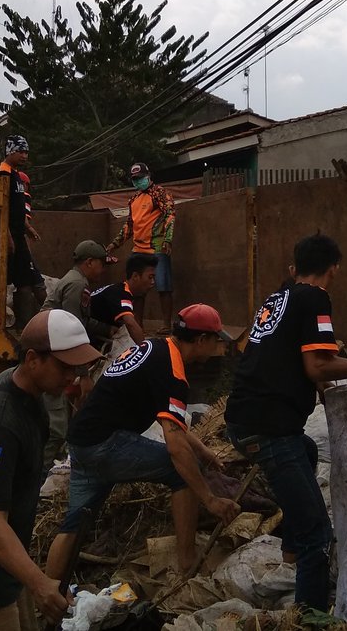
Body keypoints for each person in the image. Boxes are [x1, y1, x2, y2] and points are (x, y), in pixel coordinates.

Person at [225, 233, 347, 611]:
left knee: (307, 450)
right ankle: (310, 618)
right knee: (319, 535)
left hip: (244, 421)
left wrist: (330, 395)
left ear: (297, 265)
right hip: (270, 428)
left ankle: (290, 551)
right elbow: (318, 365)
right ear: (334, 267)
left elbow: (302, 363)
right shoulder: (315, 298)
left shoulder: (280, 297)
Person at [0, 309, 102, 631]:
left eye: (78, 368)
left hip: (5, 566)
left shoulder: (28, 392)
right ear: (34, 360)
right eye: (66, 367)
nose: (73, 377)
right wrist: (39, 583)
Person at [46, 304, 242, 579]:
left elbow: (172, 424)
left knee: (73, 526)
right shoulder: (173, 372)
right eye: (216, 340)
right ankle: (188, 564)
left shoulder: (155, 350)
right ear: (201, 341)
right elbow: (175, 446)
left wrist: (204, 450)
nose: (218, 346)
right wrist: (209, 499)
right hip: (106, 444)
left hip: (81, 442)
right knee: (182, 469)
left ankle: (50, 595)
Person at [40, 240, 115, 466]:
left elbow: (80, 321)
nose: (103, 271)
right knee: (56, 430)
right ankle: (38, 475)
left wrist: (106, 330)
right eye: (101, 264)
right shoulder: (76, 284)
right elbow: (72, 329)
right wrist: (83, 374)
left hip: (54, 352)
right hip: (52, 356)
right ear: (89, 262)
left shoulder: (75, 281)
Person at [108, 163, 176, 329]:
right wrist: (113, 245)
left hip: (157, 247)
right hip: (138, 249)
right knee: (136, 289)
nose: (138, 182)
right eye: (135, 179)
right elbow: (129, 226)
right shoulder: (133, 200)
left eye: (140, 178)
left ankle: (167, 325)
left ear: (148, 175)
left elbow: (170, 214)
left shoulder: (159, 193)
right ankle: (138, 325)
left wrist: (168, 239)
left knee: (163, 286)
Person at [0, 135, 46, 329]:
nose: (25, 156)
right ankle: (40, 323)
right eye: (21, 151)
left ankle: (27, 325)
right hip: (10, 237)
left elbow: (18, 209)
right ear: (10, 151)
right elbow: (1, 209)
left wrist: (28, 228)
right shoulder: (3, 174)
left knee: (25, 282)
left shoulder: (16, 175)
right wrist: (7, 236)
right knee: (32, 280)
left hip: (18, 235)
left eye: (26, 152)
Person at [88, 252, 158, 354]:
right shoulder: (122, 294)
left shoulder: (121, 290)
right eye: (150, 277)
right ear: (135, 276)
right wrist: (146, 353)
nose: (153, 282)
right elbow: (131, 324)